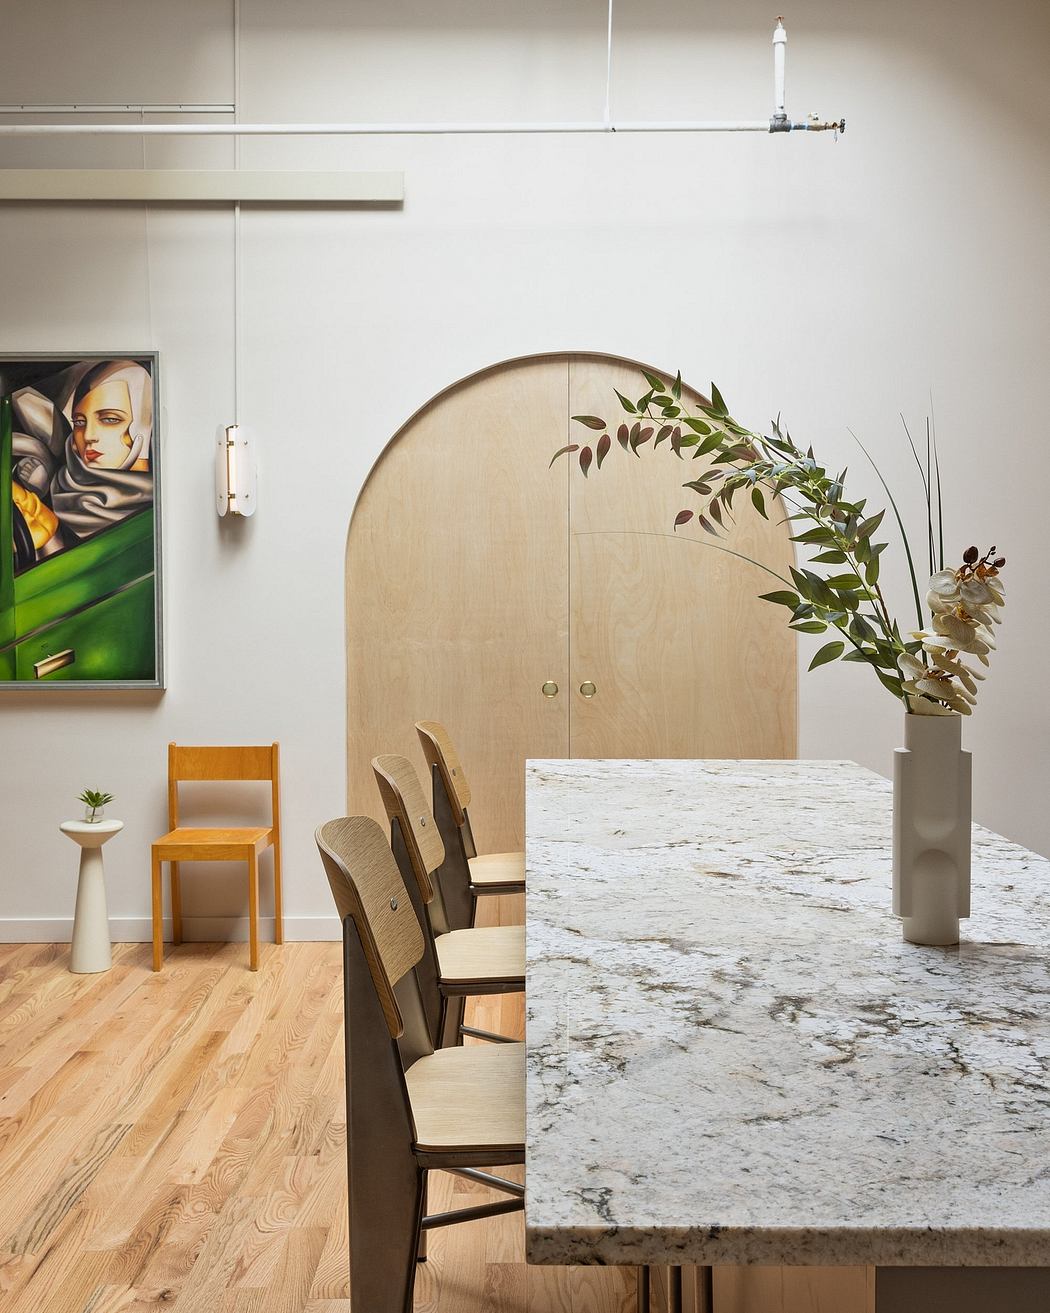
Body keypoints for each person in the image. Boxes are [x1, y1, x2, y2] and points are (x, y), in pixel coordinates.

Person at [10, 358, 154, 566]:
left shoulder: (159, 511)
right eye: (79, 422)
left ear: (142, 426)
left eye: (110, 419)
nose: (88, 435)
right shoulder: (55, 492)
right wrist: (48, 539)